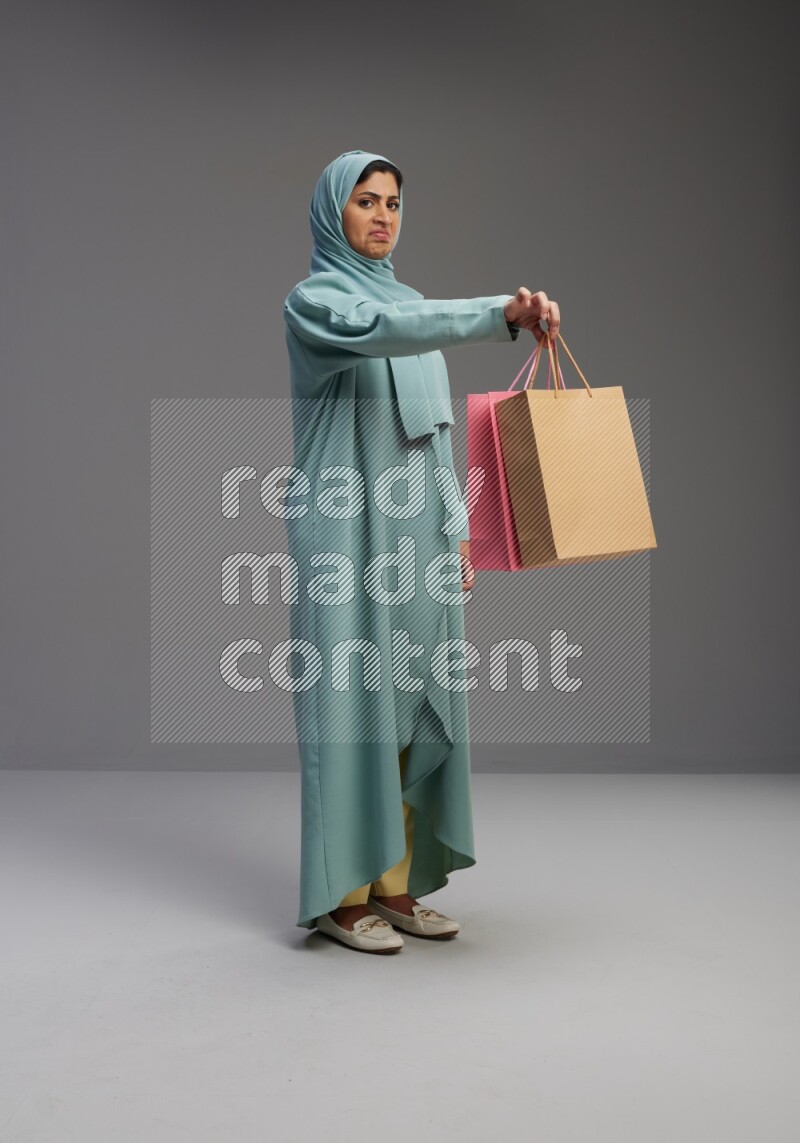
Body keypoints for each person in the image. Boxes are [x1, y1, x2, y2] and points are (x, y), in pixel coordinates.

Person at [283, 149, 560, 954]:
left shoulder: (411, 309)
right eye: (366, 200)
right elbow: (388, 331)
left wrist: (457, 530)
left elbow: (437, 438)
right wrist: (499, 313)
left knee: (413, 700)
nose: (383, 216)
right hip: (345, 534)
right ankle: (341, 897)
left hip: (418, 538)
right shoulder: (317, 303)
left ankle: (395, 884)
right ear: (333, 211)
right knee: (350, 711)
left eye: (394, 203)